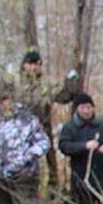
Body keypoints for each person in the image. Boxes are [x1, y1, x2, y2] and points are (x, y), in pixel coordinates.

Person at [18, 47, 80, 193]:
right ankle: (26, 188)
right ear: (24, 65)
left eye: (36, 64)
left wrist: (71, 79)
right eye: (30, 64)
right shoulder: (18, 85)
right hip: (21, 130)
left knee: (50, 158)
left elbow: (64, 96)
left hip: (42, 126)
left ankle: (53, 188)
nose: (32, 67)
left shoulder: (46, 85)